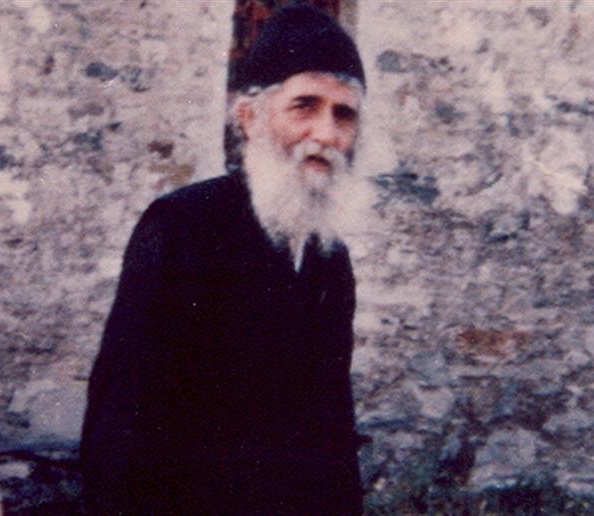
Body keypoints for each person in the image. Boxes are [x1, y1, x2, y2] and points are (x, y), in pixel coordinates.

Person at [80, 4, 368, 514]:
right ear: (250, 118)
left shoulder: (329, 257)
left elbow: (332, 430)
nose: (326, 133)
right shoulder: (182, 226)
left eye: (343, 114)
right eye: (304, 106)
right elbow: (122, 425)